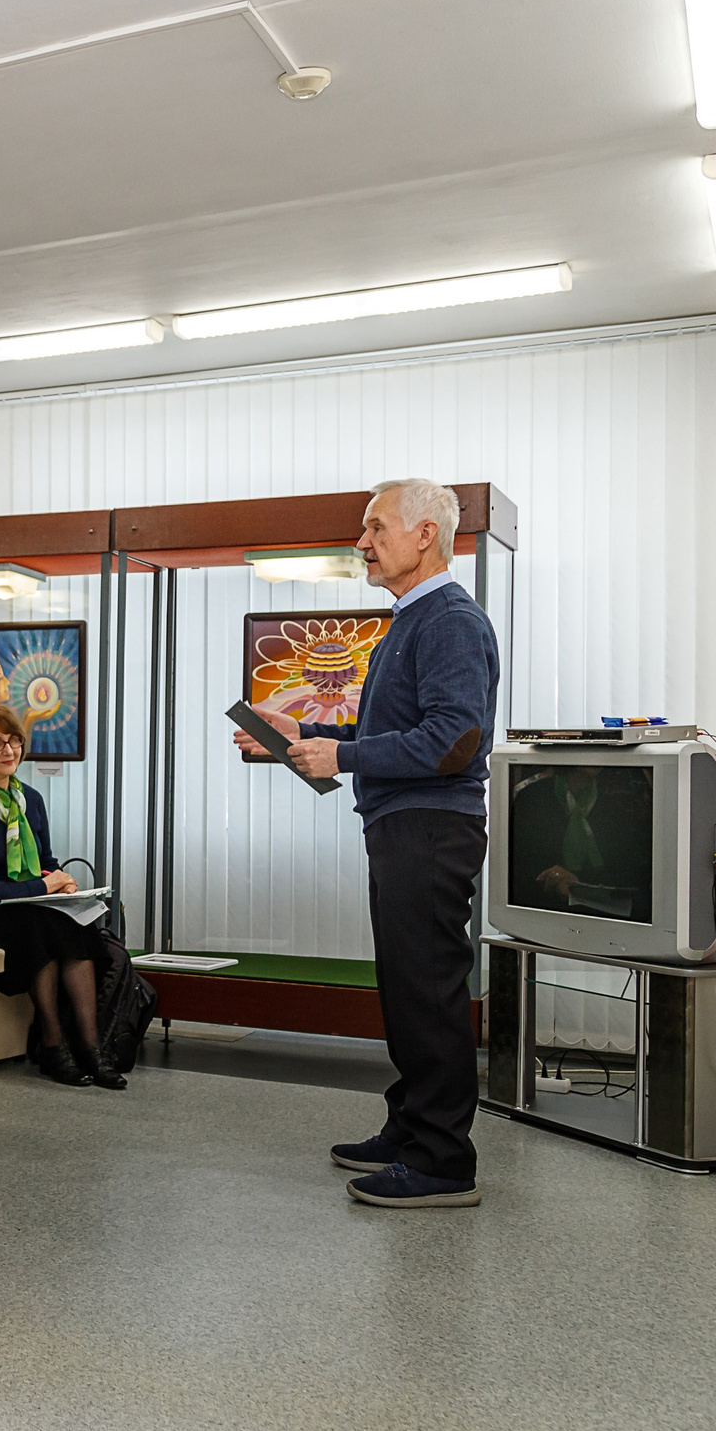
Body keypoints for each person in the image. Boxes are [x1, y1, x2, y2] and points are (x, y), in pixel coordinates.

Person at [234, 477, 499, 1209]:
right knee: (406, 989)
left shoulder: (448, 620)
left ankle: (444, 1161)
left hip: (430, 828)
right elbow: (395, 733)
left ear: (426, 534)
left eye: (377, 528)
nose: (362, 543)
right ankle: (412, 1130)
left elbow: (452, 740)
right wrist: (308, 735)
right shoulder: (408, 621)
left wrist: (342, 759)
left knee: (429, 993)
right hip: (403, 825)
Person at [0, 702, 126, 1089]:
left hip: (22, 902)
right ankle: (53, 1045)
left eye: (15, 741)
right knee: (39, 924)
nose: (10, 751)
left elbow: (45, 861)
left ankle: (91, 1047)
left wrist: (63, 882)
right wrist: (43, 886)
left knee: (78, 922)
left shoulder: (29, 800)